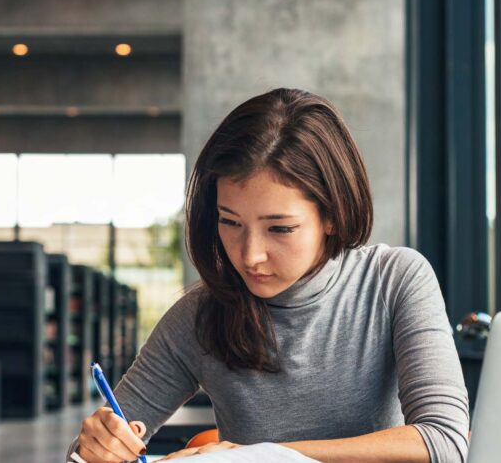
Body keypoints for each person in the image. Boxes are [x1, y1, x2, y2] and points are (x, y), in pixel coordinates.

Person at [67, 88, 469, 463]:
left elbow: (444, 441)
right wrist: (93, 448)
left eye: (279, 228)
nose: (250, 255)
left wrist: (255, 456)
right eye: (231, 222)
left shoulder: (394, 280)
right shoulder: (198, 315)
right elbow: (86, 454)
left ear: (332, 215)